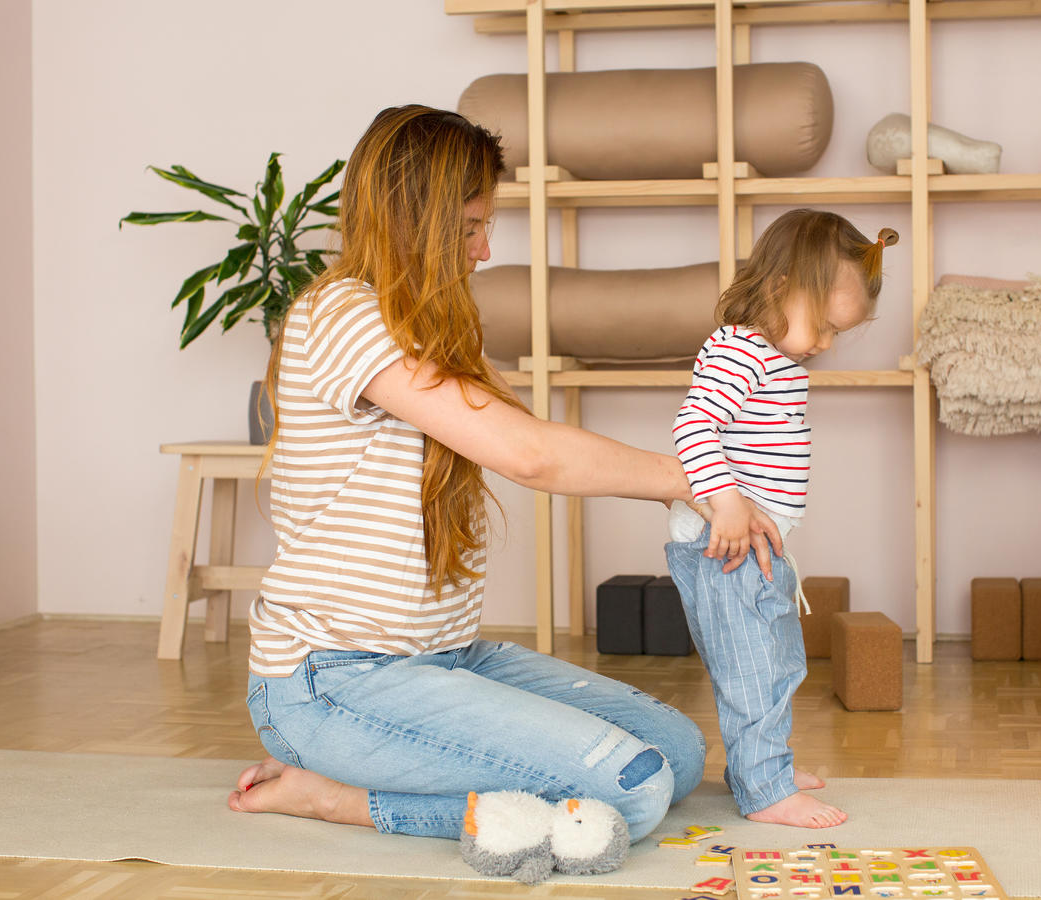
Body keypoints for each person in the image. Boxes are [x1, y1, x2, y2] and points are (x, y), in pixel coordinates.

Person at [226, 104, 780, 846]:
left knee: (677, 754)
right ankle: (334, 798)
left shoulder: (432, 325)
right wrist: (700, 481)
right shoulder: (342, 315)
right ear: (410, 219)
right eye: (466, 229)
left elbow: (538, 439)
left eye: (487, 226)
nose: (484, 250)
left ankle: (374, 768)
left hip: (446, 659)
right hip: (336, 680)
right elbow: (531, 456)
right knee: (636, 791)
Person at [665, 209, 898, 829]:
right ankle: (764, 788)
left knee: (779, 660)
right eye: (822, 325)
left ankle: (768, 761)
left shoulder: (774, 356)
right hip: (725, 546)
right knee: (753, 668)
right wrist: (729, 504)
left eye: (834, 334)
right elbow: (693, 429)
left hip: (754, 547)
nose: (823, 343)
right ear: (779, 286)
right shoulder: (738, 349)